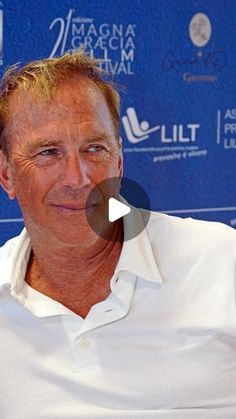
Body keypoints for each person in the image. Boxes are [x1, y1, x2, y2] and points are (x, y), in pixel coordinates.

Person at [0, 49, 235, 419]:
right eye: (48, 153)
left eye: (94, 149)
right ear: (7, 174)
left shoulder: (223, 262)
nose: (78, 179)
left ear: (120, 161)